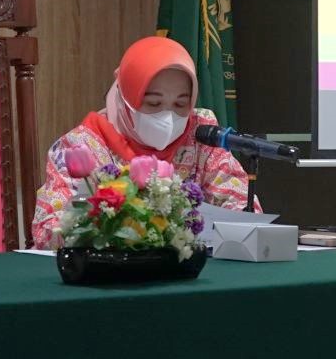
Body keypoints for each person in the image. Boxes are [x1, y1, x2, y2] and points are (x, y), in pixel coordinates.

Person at [30, 35, 252, 249]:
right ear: (125, 98)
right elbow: (49, 229)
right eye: (154, 104)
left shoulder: (201, 134)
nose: (168, 117)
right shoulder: (82, 145)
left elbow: (241, 204)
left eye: (180, 104)